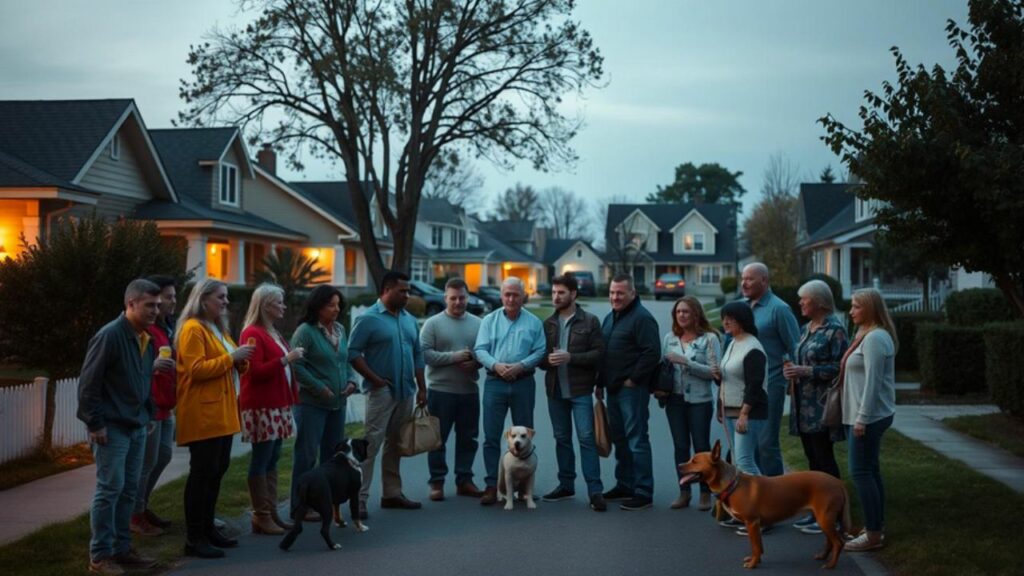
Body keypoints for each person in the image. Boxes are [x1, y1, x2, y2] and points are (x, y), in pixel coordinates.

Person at [78, 279, 170, 575]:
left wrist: (148, 415)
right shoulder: (111, 335)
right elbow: (88, 384)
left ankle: (122, 549)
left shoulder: (144, 337)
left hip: (137, 425)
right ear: (130, 304)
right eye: (149, 305)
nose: (156, 310)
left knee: (129, 490)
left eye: (158, 305)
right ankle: (100, 556)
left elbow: (143, 380)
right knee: (110, 489)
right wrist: (95, 423)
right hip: (111, 428)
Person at [175, 279, 253, 559]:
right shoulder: (193, 329)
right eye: (220, 297)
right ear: (203, 298)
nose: (225, 302)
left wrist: (240, 361)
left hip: (221, 412)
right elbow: (196, 370)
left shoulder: (218, 329)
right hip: (203, 413)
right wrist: (233, 358)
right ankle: (194, 537)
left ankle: (208, 529)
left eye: (226, 297)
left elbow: (229, 364)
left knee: (216, 472)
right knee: (201, 476)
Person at [349, 271, 427, 518]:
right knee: (371, 445)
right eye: (402, 291)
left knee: (395, 444)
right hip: (381, 393)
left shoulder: (409, 320)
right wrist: (375, 379)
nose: (407, 295)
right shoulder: (368, 319)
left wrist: (422, 387)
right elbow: (353, 353)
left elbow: (418, 356)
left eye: (408, 291)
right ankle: (360, 499)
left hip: (406, 391)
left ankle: (392, 494)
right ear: (386, 290)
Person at [474, 277, 546, 506]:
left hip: (523, 382)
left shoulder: (534, 322)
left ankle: (525, 488)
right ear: (501, 296)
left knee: (524, 436)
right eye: (507, 294)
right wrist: (496, 365)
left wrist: (521, 365)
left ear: (523, 296)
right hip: (495, 382)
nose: (511, 299)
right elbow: (480, 349)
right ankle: (491, 485)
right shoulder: (489, 321)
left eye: (516, 294)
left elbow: (540, 350)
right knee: (491, 436)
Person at [784, 279, 849, 535]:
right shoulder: (806, 328)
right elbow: (798, 357)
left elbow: (840, 368)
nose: (800, 302)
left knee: (824, 460)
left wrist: (807, 370)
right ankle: (817, 511)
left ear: (819, 302)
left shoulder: (835, 330)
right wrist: (791, 370)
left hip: (821, 405)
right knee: (812, 460)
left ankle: (834, 514)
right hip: (802, 405)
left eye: (805, 299)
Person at [240, 284, 305, 535]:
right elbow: (253, 372)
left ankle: (271, 512)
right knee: (262, 458)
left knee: (273, 458)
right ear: (265, 305)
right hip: (262, 406)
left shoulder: (272, 331)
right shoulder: (252, 333)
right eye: (279, 302)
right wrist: (285, 360)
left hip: (277, 404)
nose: (283, 307)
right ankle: (261, 514)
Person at [538, 274, 607, 512]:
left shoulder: (590, 321)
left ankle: (595, 491)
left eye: (561, 293)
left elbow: (599, 355)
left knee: (587, 439)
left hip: (580, 391)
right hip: (555, 391)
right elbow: (541, 360)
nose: (556, 297)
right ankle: (566, 485)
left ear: (573, 294)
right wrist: (547, 360)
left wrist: (571, 357)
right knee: (561, 439)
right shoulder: (548, 324)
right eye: (554, 292)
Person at [289, 285, 356, 520]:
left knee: (331, 456)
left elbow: (345, 360)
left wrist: (351, 381)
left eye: (338, 305)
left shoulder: (339, 329)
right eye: (331, 305)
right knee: (306, 455)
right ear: (317, 306)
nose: (336, 309)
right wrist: (319, 387)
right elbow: (296, 365)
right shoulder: (305, 332)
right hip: (311, 404)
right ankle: (299, 506)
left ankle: (324, 502)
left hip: (338, 403)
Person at [842, 289, 897, 552]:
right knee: (871, 471)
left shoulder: (875, 338)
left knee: (861, 472)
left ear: (870, 309)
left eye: (856, 307)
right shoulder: (864, 335)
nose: (851, 311)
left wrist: (862, 418)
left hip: (869, 416)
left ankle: (873, 534)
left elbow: (873, 383)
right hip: (862, 414)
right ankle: (876, 525)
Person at [599, 275, 661, 511]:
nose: (615, 297)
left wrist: (633, 379)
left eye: (620, 293)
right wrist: (600, 382)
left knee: (636, 440)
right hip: (612, 389)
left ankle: (643, 491)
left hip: (631, 391)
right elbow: (605, 353)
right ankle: (624, 484)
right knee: (620, 440)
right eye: (612, 292)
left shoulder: (642, 318)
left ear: (632, 294)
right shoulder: (611, 317)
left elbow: (652, 352)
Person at [420, 277, 485, 502]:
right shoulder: (433, 324)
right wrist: (454, 357)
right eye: (453, 298)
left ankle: (464, 480)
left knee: (469, 438)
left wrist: (476, 362)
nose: (458, 302)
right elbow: (425, 354)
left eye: (462, 297)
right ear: (445, 298)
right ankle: (437, 482)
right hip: (440, 391)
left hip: (469, 390)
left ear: (468, 297)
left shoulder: (479, 324)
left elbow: (486, 353)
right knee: (437, 439)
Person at [659, 296, 720, 511]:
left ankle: (706, 492)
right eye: (678, 312)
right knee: (680, 446)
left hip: (699, 401)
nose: (682, 315)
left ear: (696, 314)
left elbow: (715, 373)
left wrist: (687, 362)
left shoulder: (709, 339)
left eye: (686, 311)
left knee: (701, 446)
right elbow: (663, 366)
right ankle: (684, 491)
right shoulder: (669, 338)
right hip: (674, 399)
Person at [740, 263, 800, 477]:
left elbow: (795, 346)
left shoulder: (779, 309)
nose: (743, 283)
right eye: (742, 278)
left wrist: (795, 380)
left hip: (770, 385)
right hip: (742, 385)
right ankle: (754, 497)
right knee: (747, 445)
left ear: (764, 281)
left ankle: (776, 496)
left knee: (766, 444)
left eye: (749, 279)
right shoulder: (741, 307)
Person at [130, 275, 178, 538]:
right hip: (151, 406)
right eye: (167, 298)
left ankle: (142, 506)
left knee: (163, 457)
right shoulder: (147, 331)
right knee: (146, 462)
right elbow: (135, 367)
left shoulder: (165, 328)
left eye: (170, 298)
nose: (171, 303)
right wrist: (154, 368)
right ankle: (135, 516)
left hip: (166, 405)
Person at [715, 301, 769, 534]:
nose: (726, 322)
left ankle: (765, 515)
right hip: (730, 411)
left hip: (748, 412)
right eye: (724, 317)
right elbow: (730, 378)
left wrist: (745, 413)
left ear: (743, 321)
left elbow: (755, 385)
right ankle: (747, 512)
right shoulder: (732, 343)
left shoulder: (752, 347)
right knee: (738, 464)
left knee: (746, 462)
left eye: (731, 319)